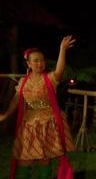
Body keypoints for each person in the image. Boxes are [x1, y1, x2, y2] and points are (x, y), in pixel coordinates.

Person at [0, 35, 76, 179]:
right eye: (36, 61)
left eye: (42, 60)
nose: (40, 63)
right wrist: (6, 114)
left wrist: (62, 49)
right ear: (28, 63)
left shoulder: (49, 79)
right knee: (24, 159)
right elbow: (16, 100)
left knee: (44, 160)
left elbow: (59, 71)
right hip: (29, 124)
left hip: (48, 122)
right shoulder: (23, 81)